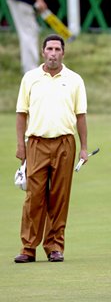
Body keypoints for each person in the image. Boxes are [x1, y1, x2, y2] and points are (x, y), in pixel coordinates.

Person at [14, 34, 88, 263]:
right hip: (36, 142)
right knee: (34, 196)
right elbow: (21, 113)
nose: (53, 53)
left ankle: (54, 246)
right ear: (43, 52)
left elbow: (81, 116)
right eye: (50, 49)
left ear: (63, 53)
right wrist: (20, 145)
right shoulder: (30, 78)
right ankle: (28, 247)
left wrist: (84, 147)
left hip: (65, 142)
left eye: (57, 49)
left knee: (59, 196)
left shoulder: (74, 79)